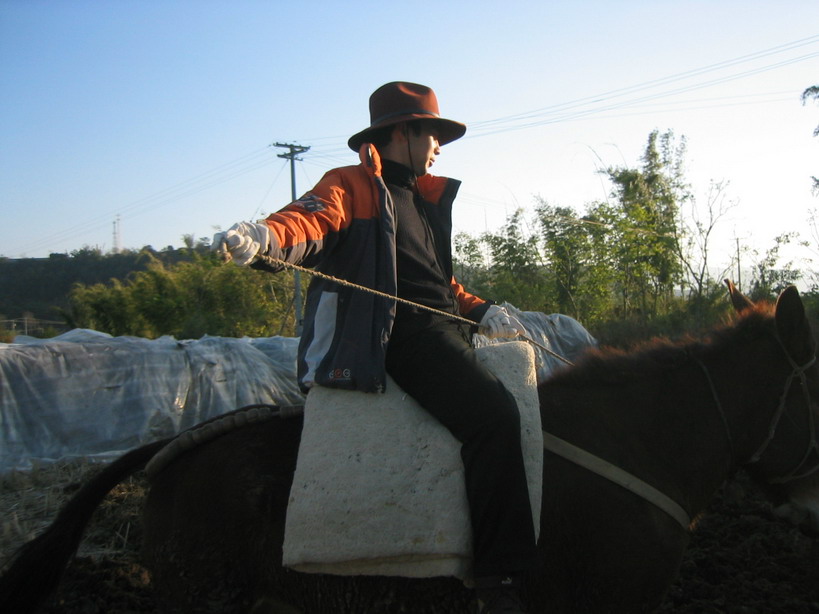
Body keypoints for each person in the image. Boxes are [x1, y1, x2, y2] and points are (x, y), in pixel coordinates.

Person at [214, 81, 539, 614]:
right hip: (401, 334)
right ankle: (500, 581)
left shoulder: (424, 198)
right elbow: (309, 220)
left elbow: (438, 285)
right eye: (433, 134)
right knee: (494, 417)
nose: (439, 147)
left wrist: (483, 311)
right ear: (401, 132)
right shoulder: (352, 185)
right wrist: (266, 240)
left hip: (442, 327)